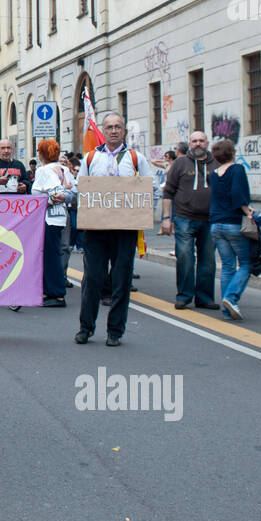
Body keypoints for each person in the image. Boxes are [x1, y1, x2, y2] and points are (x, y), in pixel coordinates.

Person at [72, 112, 159, 346]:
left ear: (123, 131)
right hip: (96, 228)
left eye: (117, 127)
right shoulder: (91, 158)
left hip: (125, 228)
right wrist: (63, 196)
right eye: (109, 127)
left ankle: (115, 332)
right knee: (92, 279)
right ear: (103, 130)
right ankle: (85, 328)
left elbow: (153, 188)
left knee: (121, 280)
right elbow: (80, 189)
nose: (113, 131)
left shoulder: (135, 158)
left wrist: (146, 211)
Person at [161, 130, 217, 311]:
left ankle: (205, 298)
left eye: (201, 141)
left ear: (207, 143)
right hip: (184, 218)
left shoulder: (216, 163)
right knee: (185, 257)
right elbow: (168, 191)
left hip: (210, 219)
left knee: (207, 260)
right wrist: (167, 218)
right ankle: (184, 296)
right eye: (194, 141)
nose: (198, 144)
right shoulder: (180, 164)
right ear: (189, 143)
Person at [207, 139, 255, 320]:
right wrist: (248, 212)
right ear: (232, 153)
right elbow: (238, 194)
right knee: (246, 264)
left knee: (227, 266)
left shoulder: (213, 174)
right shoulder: (237, 169)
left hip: (216, 225)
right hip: (233, 223)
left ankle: (227, 311)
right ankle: (231, 297)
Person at [31, 138, 72, 307]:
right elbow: (71, 191)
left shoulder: (44, 171)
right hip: (61, 216)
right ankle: (51, 290)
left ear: (41, 154)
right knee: (54, 252)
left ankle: (56, 293)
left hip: (47, 217)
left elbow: (48, 194)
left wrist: (47, 199)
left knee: (50, 255)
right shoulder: (64, 169)